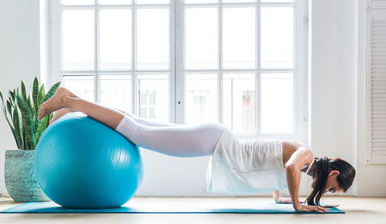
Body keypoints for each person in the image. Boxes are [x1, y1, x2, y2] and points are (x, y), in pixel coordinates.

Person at [37, 87, 356, 213]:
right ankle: (70, 101)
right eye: (335, 189)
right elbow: (287, 169)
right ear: (334, 174)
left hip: (217, 139)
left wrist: (289, 199)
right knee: (137, 133)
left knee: (138, 124)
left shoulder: (304, 167)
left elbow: (275, 181)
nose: (329, 192)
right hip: (217, 143)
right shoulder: (306, 156)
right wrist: (300, 206)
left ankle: (72, 105)